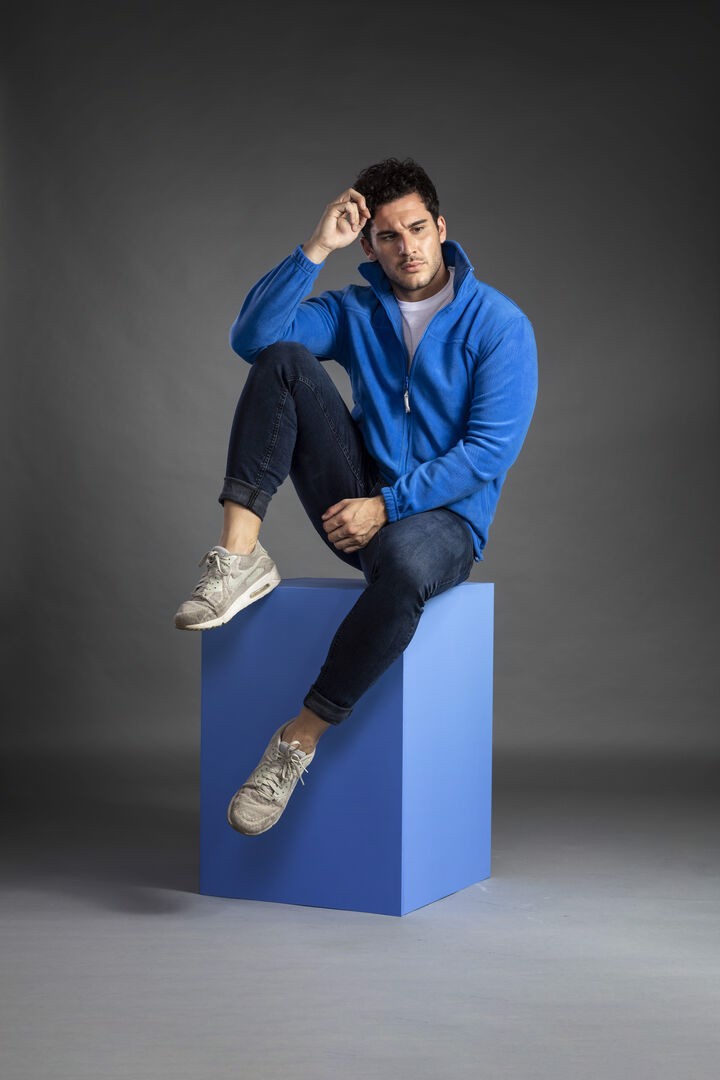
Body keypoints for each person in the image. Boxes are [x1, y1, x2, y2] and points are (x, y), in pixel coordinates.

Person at [174, 158, 538, 837]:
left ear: (441, 228)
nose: (408, 248)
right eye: (389, 236)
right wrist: (316, 248)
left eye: (418, 229)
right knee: (284, 360)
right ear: (369, 246)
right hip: (355, 500)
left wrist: (390, 507)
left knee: (404, 564)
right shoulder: (356, 311)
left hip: (444, 524)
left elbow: (488, 453)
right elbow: (254, 341)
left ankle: (297, 740)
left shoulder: (498, 324)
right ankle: (239, 557)